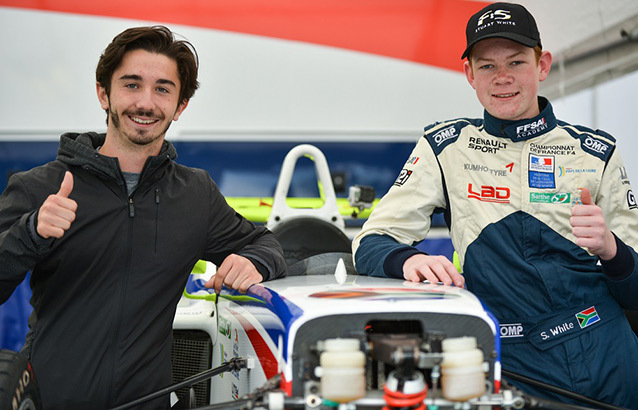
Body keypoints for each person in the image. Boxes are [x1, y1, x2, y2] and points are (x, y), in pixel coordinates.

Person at [353, 3, 638, 407]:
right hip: (509, 359)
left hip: (605, 350)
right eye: (487, 66)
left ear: (543, 66)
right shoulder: (445, 147)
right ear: (469, 73)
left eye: (517, 62)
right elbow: (370, 242)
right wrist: (405, 260)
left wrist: (612, 250)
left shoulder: (597, 152)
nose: (502, 78)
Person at [0, 26, 286, 409]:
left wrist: (253, 261)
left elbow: (264, 242)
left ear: (180, 105)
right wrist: (30, 232)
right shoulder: (42, 186)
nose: (146, 102)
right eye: (131, 85)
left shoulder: (194, 193)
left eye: (163, 89)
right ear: (104, 94)